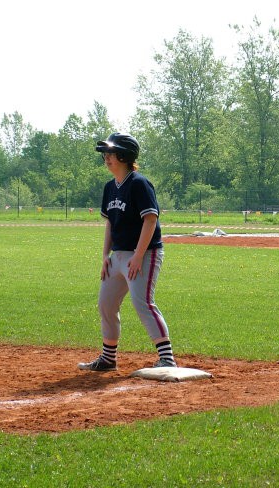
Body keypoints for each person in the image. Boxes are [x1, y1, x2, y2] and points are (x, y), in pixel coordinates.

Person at [78, 132, 177, 372]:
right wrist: (105, 256)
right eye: (107, 154)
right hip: (118, 256)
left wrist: (138, 255)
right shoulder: (110, 187)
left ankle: (167, 358)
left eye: (111, 154)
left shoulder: (139, 183)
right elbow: (110, 223)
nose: (107, 158)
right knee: (106, 304)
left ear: (124, 156)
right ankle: (108, 359)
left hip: (144, 254)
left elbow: (150, 220)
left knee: (142, 303)